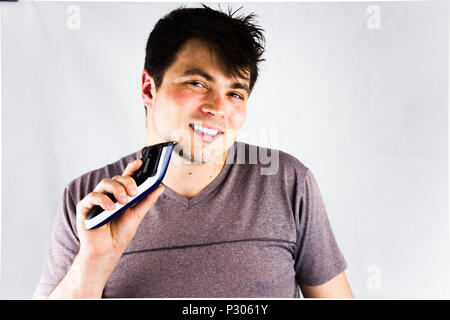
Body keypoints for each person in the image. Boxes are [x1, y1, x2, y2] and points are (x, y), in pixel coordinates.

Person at [33, 5, 353, 299]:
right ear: (149, 88)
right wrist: (93, 262)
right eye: (198, 83)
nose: (219, 108)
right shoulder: (88, 200)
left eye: (235, 93)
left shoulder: (287, 181)